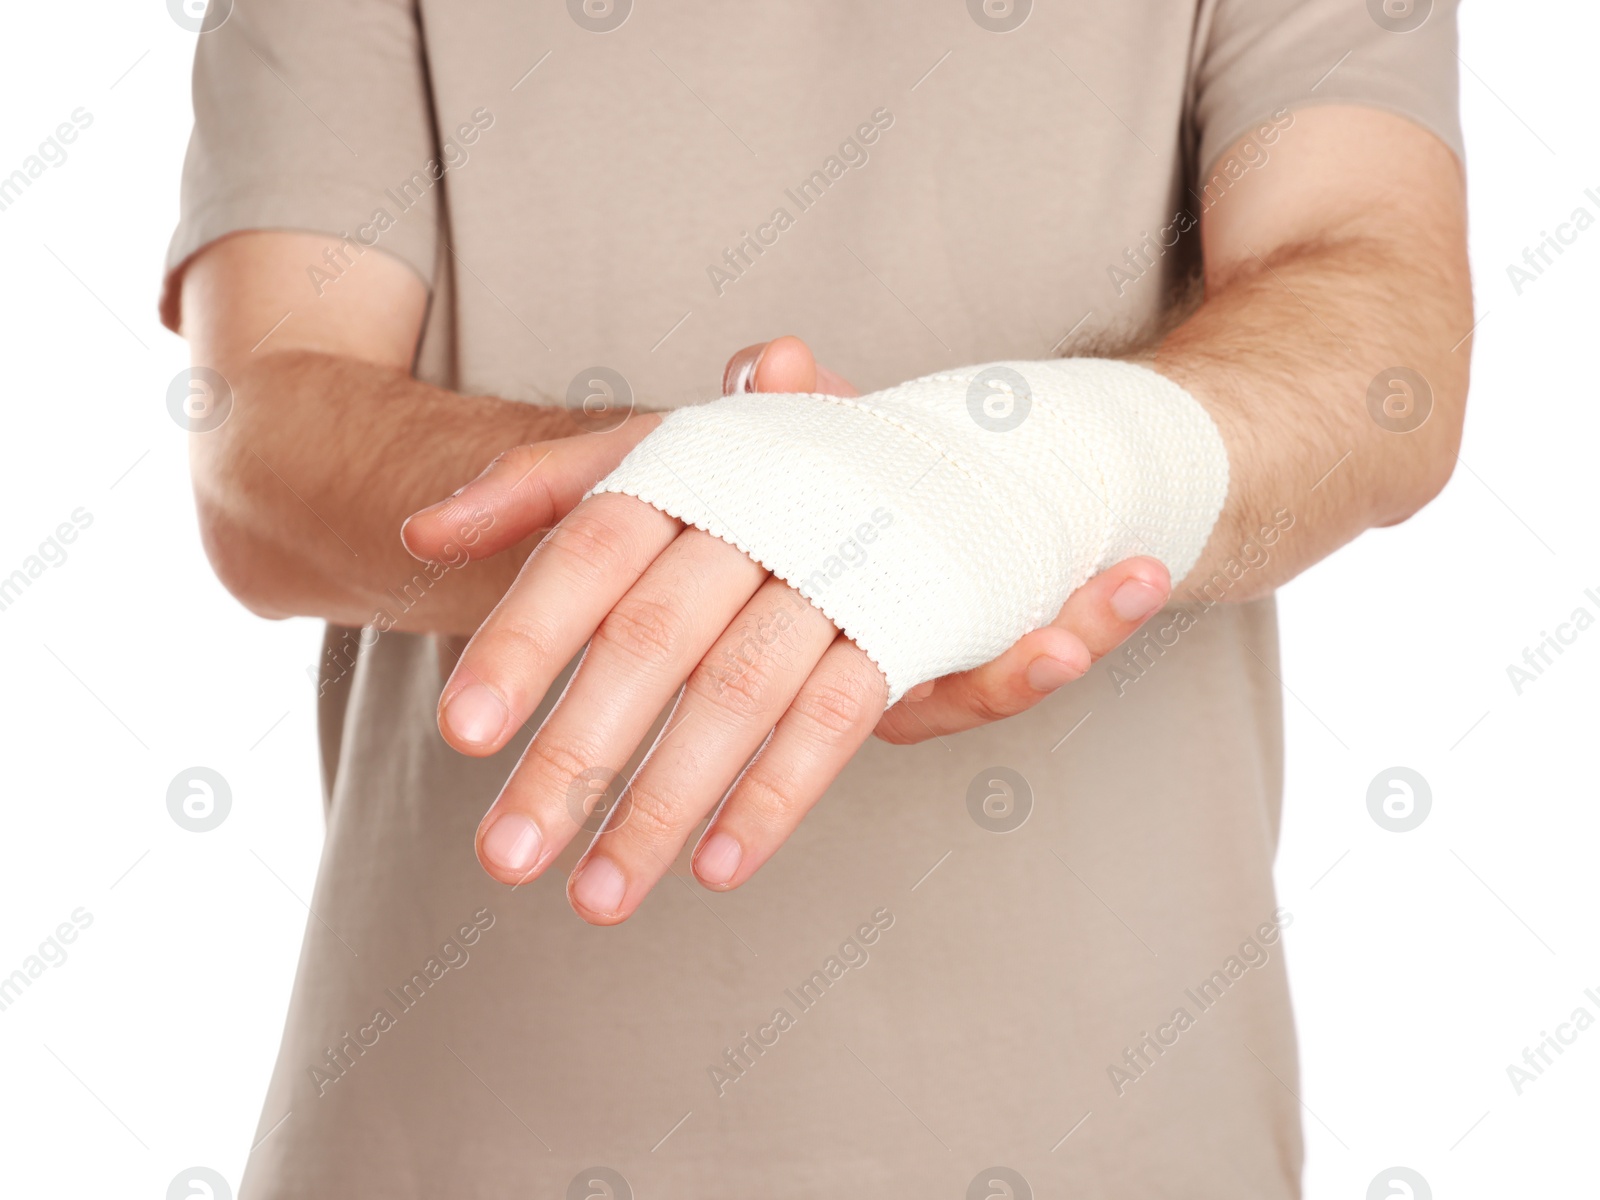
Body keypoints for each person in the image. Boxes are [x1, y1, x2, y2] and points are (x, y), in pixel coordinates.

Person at [163, 1, 1470, 1195]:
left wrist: (999, 481)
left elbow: (1380, 319)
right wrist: (709, 493)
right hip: (449, 1136)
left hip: (1117, 1138)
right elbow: (264, 428)